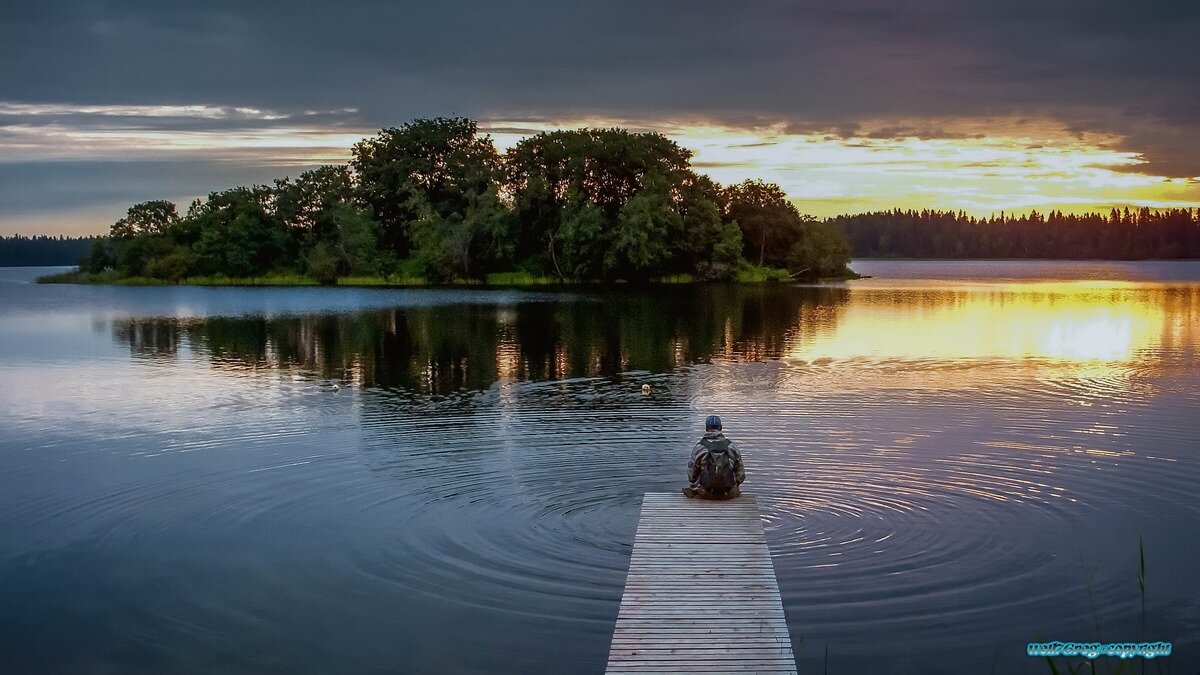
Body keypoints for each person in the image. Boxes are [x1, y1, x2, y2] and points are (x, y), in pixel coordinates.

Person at [683, 415, 745, 499]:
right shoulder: (731, 447)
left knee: (692, 467)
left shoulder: (699, 447)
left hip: (705, 494)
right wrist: (734, 484)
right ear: (721, 428)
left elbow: (692, 474)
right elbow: (741, 474)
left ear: (706, 428)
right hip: (728, 494)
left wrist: (696, 487)